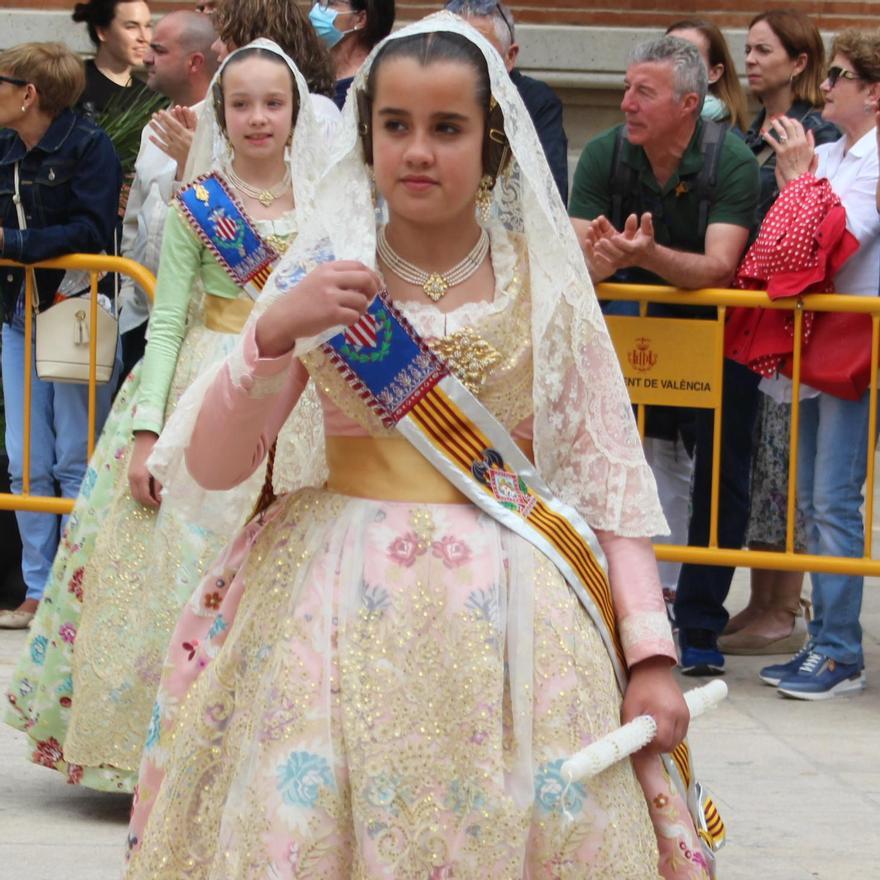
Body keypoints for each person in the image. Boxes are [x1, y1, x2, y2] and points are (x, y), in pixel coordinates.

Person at [125, 15, 722, 879]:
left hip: (519, 617)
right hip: (327, 603)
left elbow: (610, 481)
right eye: (395, 126)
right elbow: (216, 467)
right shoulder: (319, 277)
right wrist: (271, 337)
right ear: (365, 138)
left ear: (493, 144)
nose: (417, 151)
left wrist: (652, 656)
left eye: (447, 129)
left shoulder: (544, 287)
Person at [3, 39, 336, 791]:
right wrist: (148, 433)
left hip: (297, 395)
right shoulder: (198, 204)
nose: (258, 118)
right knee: (176, 570)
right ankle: (160, 754)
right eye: (241, 104)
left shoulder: (326, 204)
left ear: (296, 113)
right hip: (202, 383)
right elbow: (165, 321)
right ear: (219, 111)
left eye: (273, 104)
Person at [569, 37, 760, 671]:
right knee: (603, 459)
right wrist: (602, 263)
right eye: (624, 88)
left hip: (716, 337)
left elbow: (720, 265)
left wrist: (644, 257)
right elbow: (576, 252)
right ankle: (606, 612)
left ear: (687, 104)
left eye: (641, 92)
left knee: (719, 477)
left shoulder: (728, 159)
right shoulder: (604, 154)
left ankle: (701, 626)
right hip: (623, 335)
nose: (624, 103)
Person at [755, 29, 880, 699]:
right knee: (808, 501)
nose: (825, 87)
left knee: (835, 499)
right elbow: (778, 249)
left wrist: (800, 183)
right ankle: (822, 641)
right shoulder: (825, 153)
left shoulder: (871, 161)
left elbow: (831, 244)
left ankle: (839, 650)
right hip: (809, 333)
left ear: (874, 92)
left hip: (855, 340)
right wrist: (802, 182)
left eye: (838, 76)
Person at [719, 9, 842, 656]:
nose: (752, 59)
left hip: (797, 318)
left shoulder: (812, 134)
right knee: (762, 459)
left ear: (800, 62)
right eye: (747, 48)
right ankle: (760, 599)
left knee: (785, 462)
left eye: (764, 50)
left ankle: (782, 605)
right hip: (754, 317)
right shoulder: (745, 131)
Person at [0, 43, 121, 630]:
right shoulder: (4, 146)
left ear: (28, 94)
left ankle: (75, 592)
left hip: (75, 306)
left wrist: (14, 245)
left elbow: (93, 229)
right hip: (16, 311)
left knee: (76, 453)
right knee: (25, 457)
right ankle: (35, 589)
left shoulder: (88, 145)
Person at [117, 10, 219, 376]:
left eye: (158, 50)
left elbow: (229, 226)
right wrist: (130, 296)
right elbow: (134, 222)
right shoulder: (153, 129)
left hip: (198, 328)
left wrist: (190, 164)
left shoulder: (229, 128)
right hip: (140, 319)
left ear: (194, 62)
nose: (145, 58)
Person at [446, 0, 569, 202]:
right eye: (453, 50)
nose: (464, 64)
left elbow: (550, 197)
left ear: (509, 57)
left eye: (480, 51)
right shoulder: (422, 97)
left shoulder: (536, 103)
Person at [72, 0, 153, 116]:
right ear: (102, 32)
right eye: (131, 27)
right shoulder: (72, 85)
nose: (144, 37)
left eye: (148, 26)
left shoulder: (149, 98)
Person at [308, 0, 395, 108]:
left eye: (331, 4)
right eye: (318, 2)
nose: (315, 11)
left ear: (360, 19)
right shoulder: (310, 69)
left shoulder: (370, 86)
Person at [665, 18, 748, 130]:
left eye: (686, 56)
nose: (671, 63)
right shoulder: (640, 117)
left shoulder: (723, 138)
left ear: (714, 73)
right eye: (664, 53)